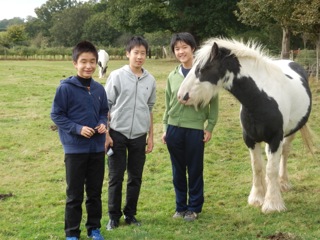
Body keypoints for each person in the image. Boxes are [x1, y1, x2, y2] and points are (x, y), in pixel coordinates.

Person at [51, 41, 108, 240]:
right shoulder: (65, 88)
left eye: (92, 62)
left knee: (94, 193)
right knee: (74, 195)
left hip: (97, 149)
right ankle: (72, 233)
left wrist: (102, 124)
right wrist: (77, 128)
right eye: (83, 61)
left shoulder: (100, 89)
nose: (88, 66)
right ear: (75, 63)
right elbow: (56, 115)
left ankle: (94, 229)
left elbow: (103, 112)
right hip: (75, 150)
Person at [161, 32, 219, 221]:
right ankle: (180, 207)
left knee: (195, 169)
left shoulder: (205, 74)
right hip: (174, 128)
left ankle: (194, 208)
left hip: (195, 129)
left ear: (193, 48)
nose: (181, 52)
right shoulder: (172, 76)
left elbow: (214, 103)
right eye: (177, 49)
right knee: (177, 171)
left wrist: (209, 127)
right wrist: (165, 127)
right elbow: (168, 103)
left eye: (184, 47)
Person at [104, 36, 156, 230]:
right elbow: (106, 106)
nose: (140, 57)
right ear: (128, 54)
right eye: (136, 53)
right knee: (115, 177)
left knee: (136, 177)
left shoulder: (150, 79)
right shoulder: (117, 76)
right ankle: (113, 216)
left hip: (139, 136)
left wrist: (150, 137)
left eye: (143, 53)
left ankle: (130, 214)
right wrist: (107, 135)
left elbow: (149, 108)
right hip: (117, 133)